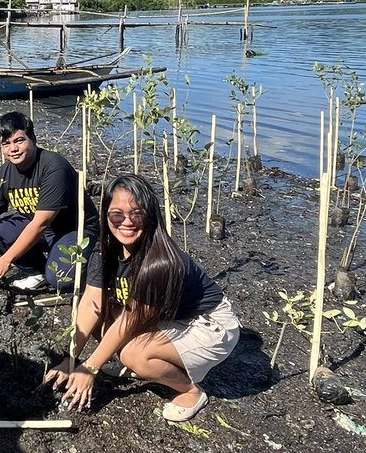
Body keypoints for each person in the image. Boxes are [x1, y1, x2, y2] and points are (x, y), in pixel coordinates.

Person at [45, 173, 239, 423]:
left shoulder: (161, 262)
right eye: (117, 214)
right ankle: (150, 366)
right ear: (106, 215)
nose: (126, 222)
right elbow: (91, 304)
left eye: (136, 213)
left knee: (134, 354)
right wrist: (70, 359)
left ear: (150, 215)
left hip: (208, 324)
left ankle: (191, 390)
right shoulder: (104, 249)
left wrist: (90, 367)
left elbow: (130, 320)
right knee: (102, 317)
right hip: (166, 316)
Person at [0, 111, 99, 292]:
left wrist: (4, 261)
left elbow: (41, 222)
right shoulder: (3, 175)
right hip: (42, 231)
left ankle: (95, 264)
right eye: (6, 144)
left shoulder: (54, 166)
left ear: (33, 139)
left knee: (60, 278)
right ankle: (36, 272)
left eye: (19, 141)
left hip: (74, 230)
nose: (13, 149)